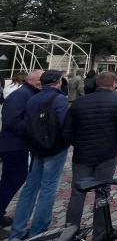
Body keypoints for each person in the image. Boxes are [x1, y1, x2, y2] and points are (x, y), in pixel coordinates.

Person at [63, 71, 117, 239]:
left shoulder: (79, 102)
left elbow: (66, 131)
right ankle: (100, 232)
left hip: (82, 154)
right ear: (113, 84)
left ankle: (70, 232)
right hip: (107, 153)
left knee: (77, 192)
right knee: (103, 190)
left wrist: (78, 144)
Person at [9, 70, 69, 240]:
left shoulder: (32, 98)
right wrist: (64, 144)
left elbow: (27, 123)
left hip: (36, 149)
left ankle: (17, 231)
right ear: (58, 81)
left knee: (29, 188)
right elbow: (64, 125)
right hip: (54, 149)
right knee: (48, 189)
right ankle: (38, 232)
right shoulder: (59, 99)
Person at [0, 70, 43, 239]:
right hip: (13, 146)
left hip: (18, 145)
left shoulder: (29, 93)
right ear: (31, 80)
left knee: (13, 179)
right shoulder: (21, 95)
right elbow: (11, 121)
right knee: (12, 179)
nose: (43, 83)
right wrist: (33, 127)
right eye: (40, 81)